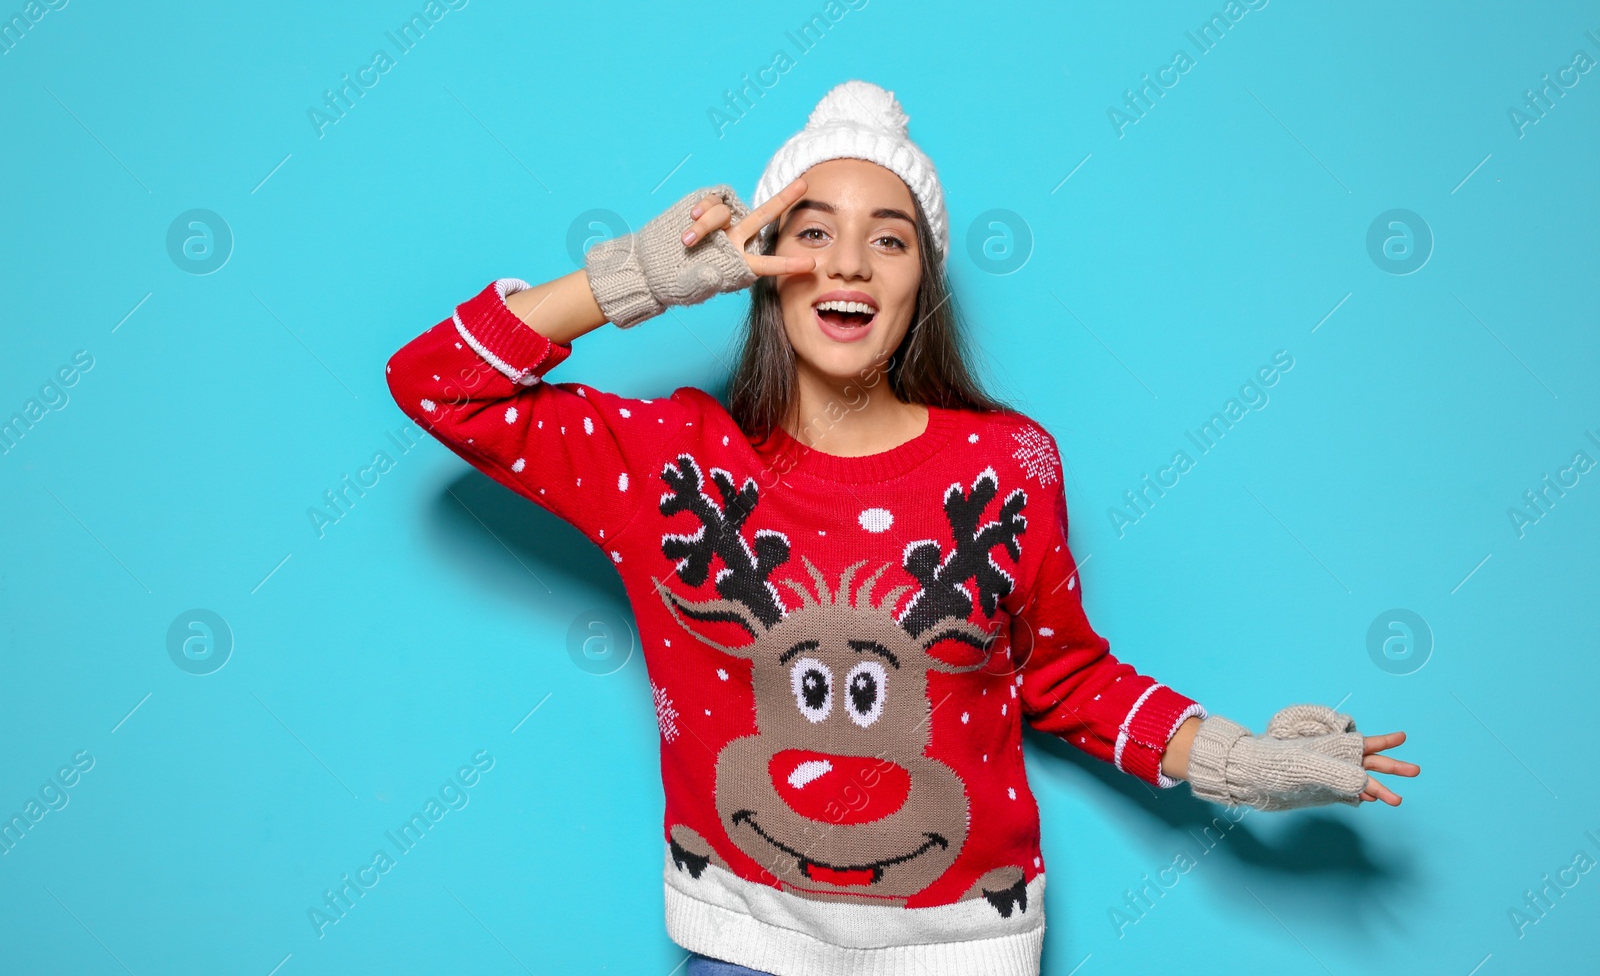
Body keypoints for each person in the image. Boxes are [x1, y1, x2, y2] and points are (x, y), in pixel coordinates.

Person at [385, 80, 1419, 976]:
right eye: (811, 231)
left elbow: (1061, 677)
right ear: (761, 263)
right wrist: (644, 276)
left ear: (921, 278)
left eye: (889, 238)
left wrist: (1235, 760)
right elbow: (435, 383)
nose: (849, 264)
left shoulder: (1006, 462)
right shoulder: (671, 462)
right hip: (745, 948)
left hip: (964, 947)